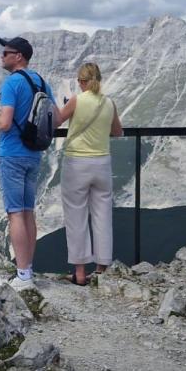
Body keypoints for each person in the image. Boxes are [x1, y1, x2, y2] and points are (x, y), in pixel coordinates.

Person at [0, 36, 55, 290]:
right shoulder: (41, 81)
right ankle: (28, 270)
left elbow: (5, 123)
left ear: (18, 56)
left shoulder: (12, 83)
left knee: (15, 213)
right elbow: (56, 118)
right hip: (33, 154)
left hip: (12, 154)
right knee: (28, 212)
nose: (2, 56)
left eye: (6, 52)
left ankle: (23, 276)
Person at [56, 62, 123, 286]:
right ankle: (102, 267)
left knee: (76, 215)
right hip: (102, 162)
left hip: (77, 162)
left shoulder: (77, 100)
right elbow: (117, 131)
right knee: (102, 213)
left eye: (78, 80)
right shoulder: (109, 102)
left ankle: (80, 272)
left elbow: (56, 120)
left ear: (83, 82)